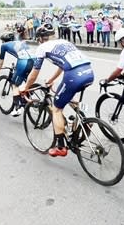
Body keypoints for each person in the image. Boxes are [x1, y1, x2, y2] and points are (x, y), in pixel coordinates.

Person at [22, 23, 94, 157]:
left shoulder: (42, 48)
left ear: (39, 39)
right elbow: (62, 65)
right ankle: (85, 118)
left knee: (56, 109)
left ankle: (61, 146)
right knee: (66, 95)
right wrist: (51, 79)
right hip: (89, 71)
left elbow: (34, 72)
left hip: (74, 75)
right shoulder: (64, 42)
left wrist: (26, 88)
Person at [0, 32, 34, 117]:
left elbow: (1, 62)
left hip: (23, 62)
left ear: (4, 41)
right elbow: (22, 55)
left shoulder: (4, 45)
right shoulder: (20, 42)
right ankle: (30, 95)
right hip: (33, 61)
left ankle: (17, 109)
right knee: (25, 79)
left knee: (14, 85)